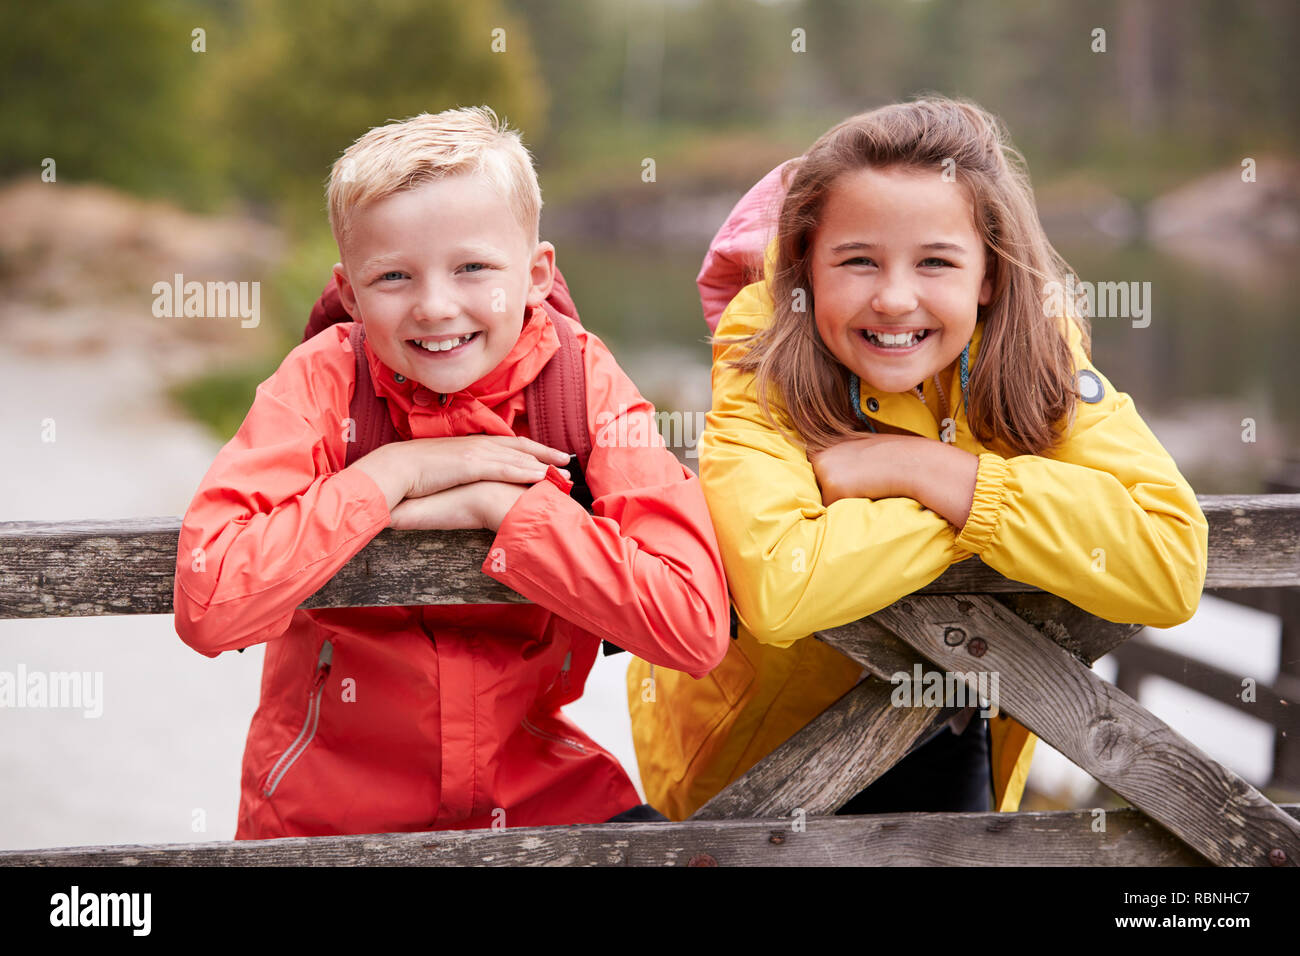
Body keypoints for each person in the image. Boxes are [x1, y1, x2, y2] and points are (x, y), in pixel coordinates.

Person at [627, 97, 1209, 820]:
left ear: (989, 275)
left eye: (936, 261)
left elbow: (1171, 559)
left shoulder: (1040, 353)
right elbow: (780, 585)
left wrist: (933, 474)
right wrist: (1006, 526)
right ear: (807, 269)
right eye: (858, 261)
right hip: (755, 764)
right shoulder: (765, 345)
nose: (895, 299)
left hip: (954, 718)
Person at [173, 106, 729, 838]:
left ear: (536, 275)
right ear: (349, 293)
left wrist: (509, 507)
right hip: (326, 813)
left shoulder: (582, 383)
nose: (436, 307)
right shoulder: (320, 384)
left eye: (472, 268)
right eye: (394, 276)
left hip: (536, 793)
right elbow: (210, 601)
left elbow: (691, 626)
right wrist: (394, 474)